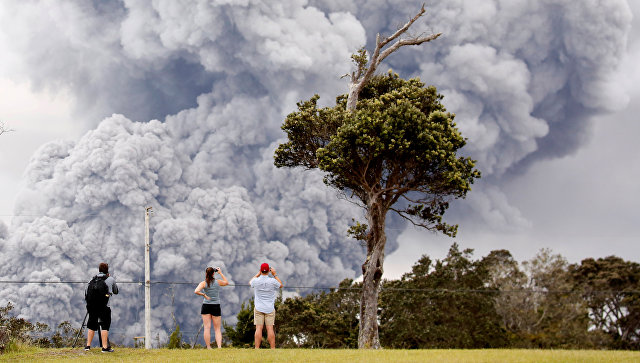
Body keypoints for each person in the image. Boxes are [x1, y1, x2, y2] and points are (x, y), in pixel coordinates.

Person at [85, 262, 118, 353]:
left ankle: (87, 346)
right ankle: (104, 348)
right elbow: (116, 291)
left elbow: (86, 292)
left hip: (92, 307)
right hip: (104, 306)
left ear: (99, 270)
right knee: (105, 326)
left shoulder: (92, 280)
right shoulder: (110, 279)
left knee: (91, 325)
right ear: (107, 271)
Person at [249, 263, 283, 349]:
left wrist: (258, 274)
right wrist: (275, 274)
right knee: (270, 329)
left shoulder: (256, 281)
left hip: (259, 308)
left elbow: (250, 282)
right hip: (269, 308)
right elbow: (280, 285)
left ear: (261, 270)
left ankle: (257, 348)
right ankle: (272, 348)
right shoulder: (272, 281)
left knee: (258, 328)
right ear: (269, 271)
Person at [194, 266, 228, 349]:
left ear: (206, 273)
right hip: (216, 306)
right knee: (217, 329)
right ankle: (219, 347)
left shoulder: (203, 283)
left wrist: (204, 295)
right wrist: (220, 273)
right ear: (213, 273)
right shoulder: (218, 282)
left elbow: (196, 291)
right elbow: (226, 282)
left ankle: (209, 347)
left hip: (206, 306)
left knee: (207, 328)